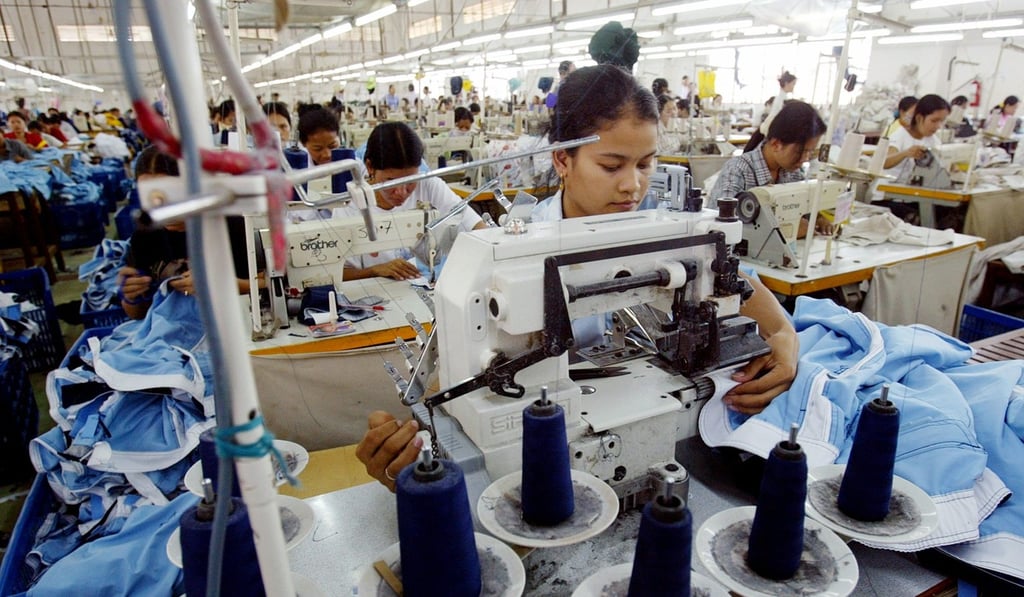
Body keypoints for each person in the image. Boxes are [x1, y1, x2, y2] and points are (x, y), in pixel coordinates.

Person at [356, 64, 799, 490]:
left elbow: (759, 306)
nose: (633, 186)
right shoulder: (512, 253)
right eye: (612, 166)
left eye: (645, 164)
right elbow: (454, 393)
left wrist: (786, 342)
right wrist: (415, 457)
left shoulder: (662, 229)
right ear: (562, 160)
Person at [331, 121, 487, 281]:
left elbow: (477, 227)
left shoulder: (428, 184)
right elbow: (335, 273)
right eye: (391, 182)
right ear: (370, 167)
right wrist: (374, 270)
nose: (401, 192)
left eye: (411, 181)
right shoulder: (349, 205)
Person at [119, 146, 259, 319]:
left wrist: (222, 286)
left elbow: (270, 286)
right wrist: (132, 297)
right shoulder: (145, 237)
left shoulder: (233, 226)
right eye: (148, 196)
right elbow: (138, 315)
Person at [710, 101, 831, 237]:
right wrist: (784, 231)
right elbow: (720, 230)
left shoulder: (793, 174)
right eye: (801, 152)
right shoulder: (737, 171)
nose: (805, 159)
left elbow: (803, 210)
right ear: (775, 144)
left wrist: (818, 218)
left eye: (810, 152)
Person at [880, 93, 950, 184]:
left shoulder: (934, 140)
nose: (938, 126)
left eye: (942, 121)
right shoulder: (900, 135)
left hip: (912, 192)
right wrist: (905, 153)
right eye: (934, 121)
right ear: (919, 118)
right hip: (887, 192)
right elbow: (884, 162)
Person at [757, 71, 797, 139]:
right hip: (771, 130)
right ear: (786, 83)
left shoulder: (781, 98)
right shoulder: (782, 100)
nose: (794, 86)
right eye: (793, 84)